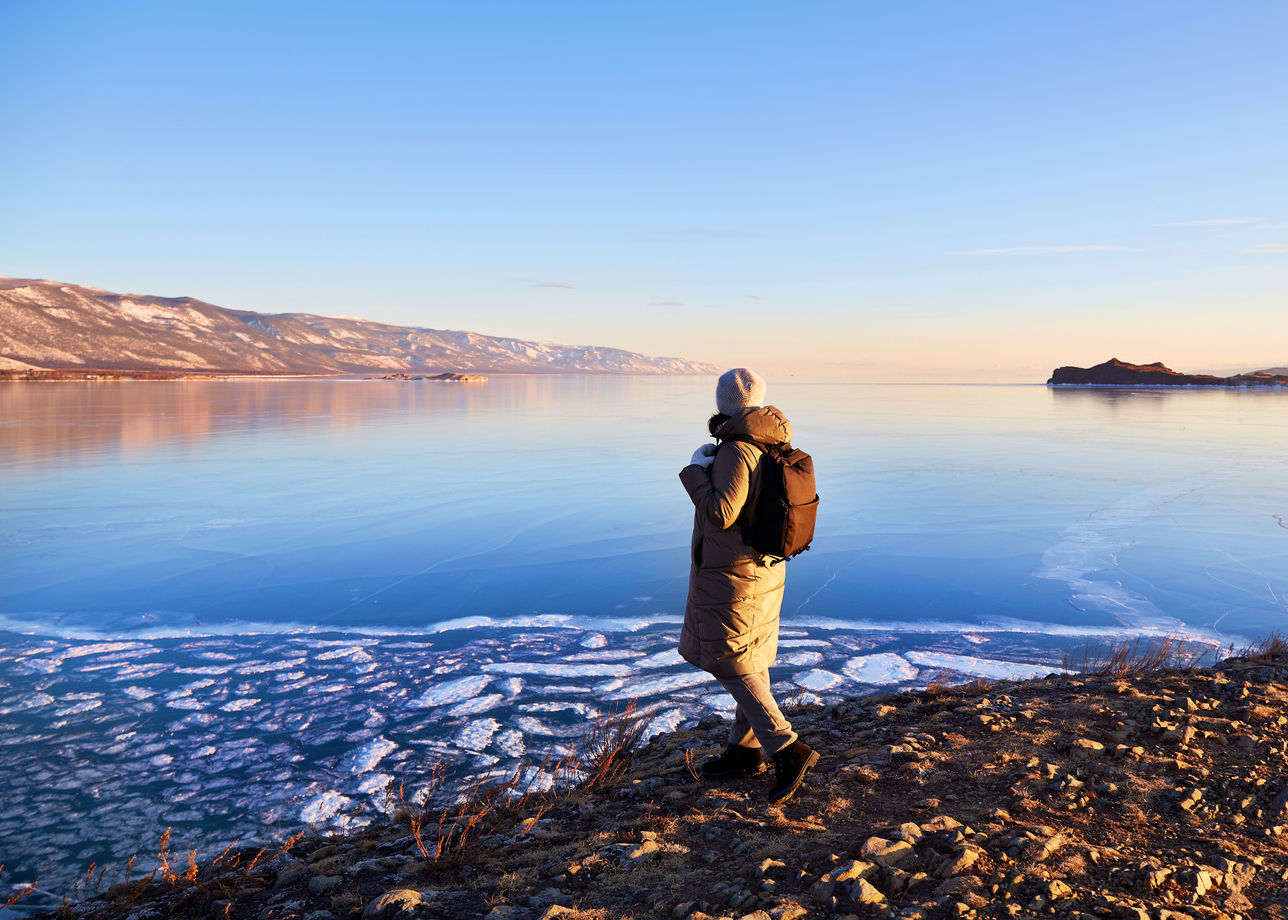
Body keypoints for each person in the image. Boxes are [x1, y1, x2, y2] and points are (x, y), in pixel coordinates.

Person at [678, 367, 819, 804]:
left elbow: (720, 513)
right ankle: (745, 749)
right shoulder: (772, 441)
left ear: (723, 403)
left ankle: (786, 746)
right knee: (750, 654)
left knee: (729, 656)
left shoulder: (739, 449)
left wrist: (694, 473)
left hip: (734, 575)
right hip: (763, 567)